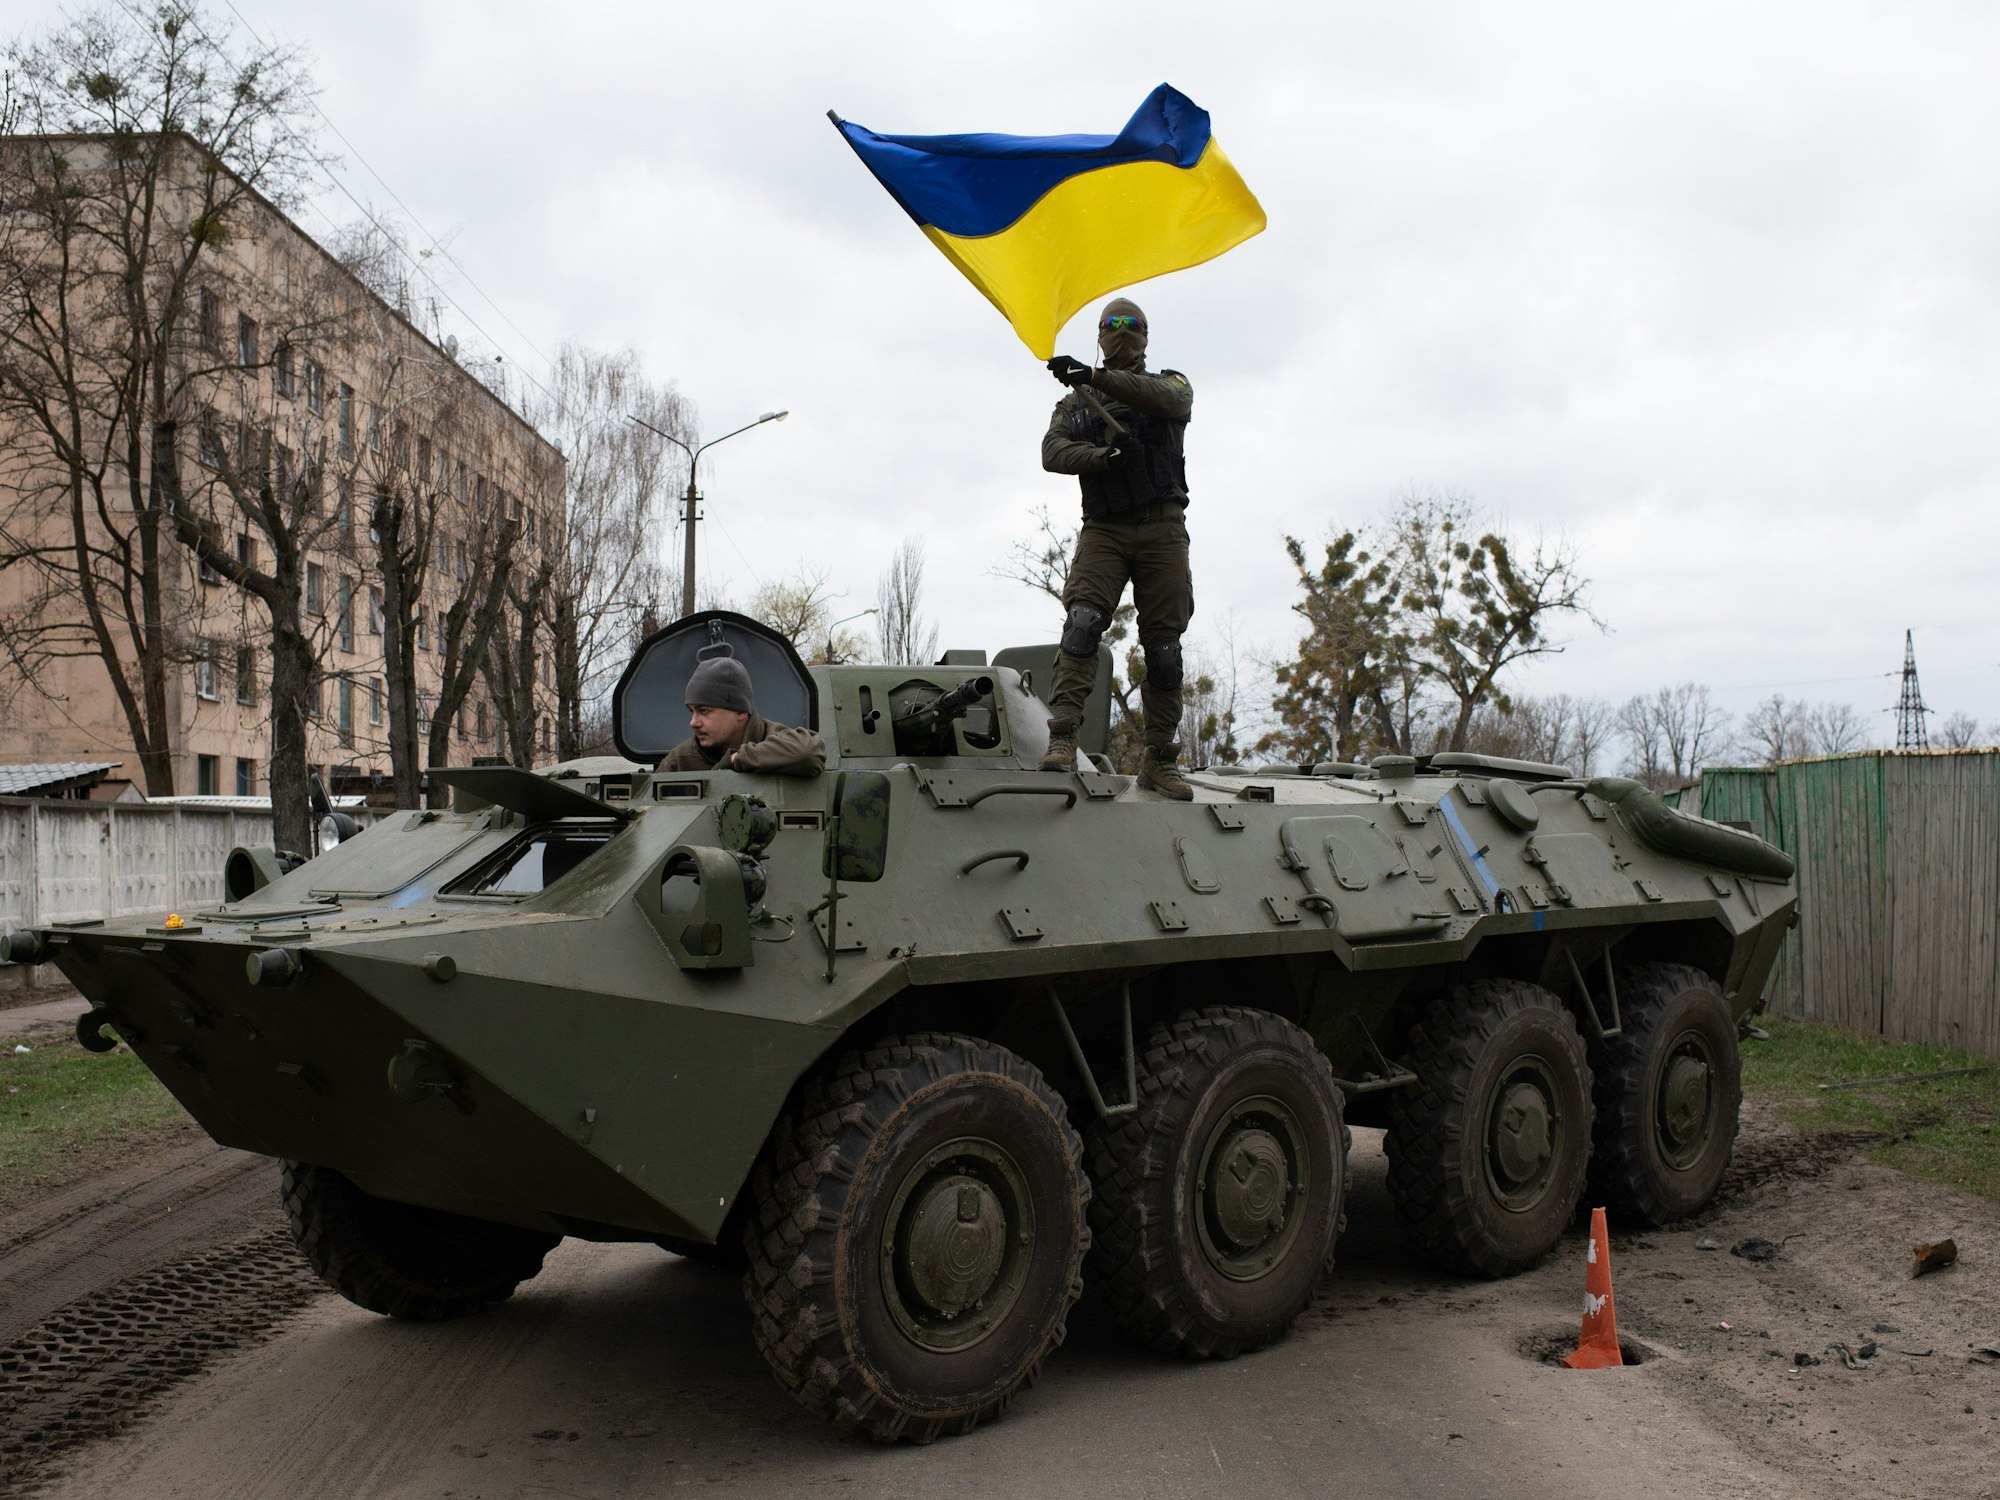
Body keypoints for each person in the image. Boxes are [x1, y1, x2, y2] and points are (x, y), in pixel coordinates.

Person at [1037, 296, 1195, 799]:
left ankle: (1159, 758)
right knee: (1082, 624)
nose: (1122, 330)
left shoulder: (1170, 385)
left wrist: (1094, 377)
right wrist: (1106, 457)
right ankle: (1063, 737)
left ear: (1145, 336)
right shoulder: (1075, 404)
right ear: (1100, 335)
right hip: (1105, 529)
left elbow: (1166, 401)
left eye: (1133, 324)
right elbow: (1052, 452)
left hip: (1162, 529)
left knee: (1164, 650)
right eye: (1112, 323)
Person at [655, 653, 826, 775]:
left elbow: (808, 753)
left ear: (741, 711)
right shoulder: (680, 761)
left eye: (704, 711)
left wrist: (735, 759)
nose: (693, 722)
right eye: (691, 711)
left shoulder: (772, 738)